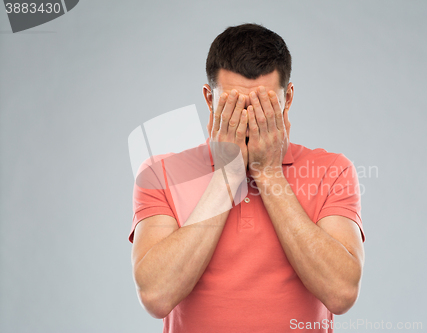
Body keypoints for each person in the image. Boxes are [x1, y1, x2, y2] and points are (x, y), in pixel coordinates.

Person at [128, 23, 365, 333]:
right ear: (210, 100)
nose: (250, 120)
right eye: (235, 106)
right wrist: (227, 176)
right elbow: (156, 295)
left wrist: (269, 175)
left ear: (288, 99)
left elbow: (341, 293)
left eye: (265, 106)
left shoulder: (333, 170)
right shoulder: (159, 174)